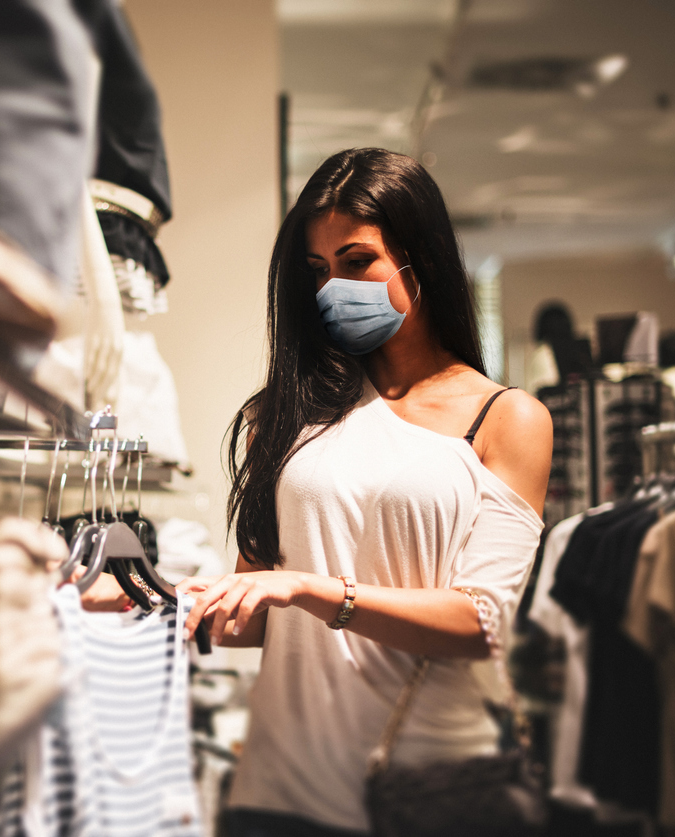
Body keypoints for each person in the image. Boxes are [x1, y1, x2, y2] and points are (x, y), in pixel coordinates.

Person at [177, 148, 552, 837]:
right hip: (283, 791)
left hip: (433, 791)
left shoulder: (506, 418)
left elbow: (483, 623)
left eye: (356, 261)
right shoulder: (284, 415)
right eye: (317, 271)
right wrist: (149, 596)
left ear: (424, 260)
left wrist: (317, 591)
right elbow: (255, 611)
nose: (331, 290)